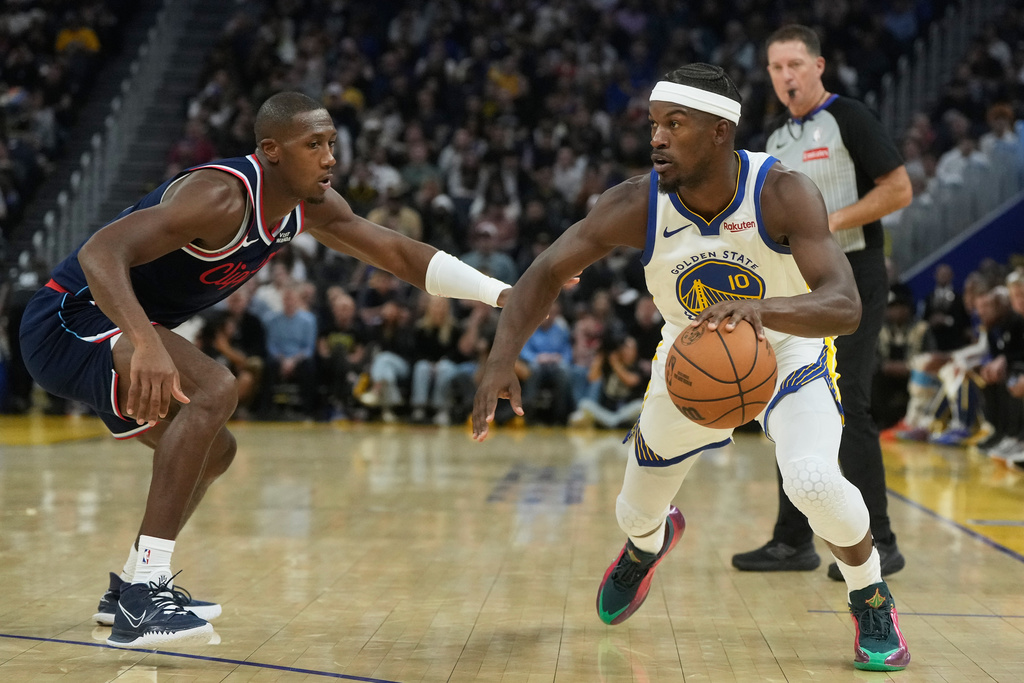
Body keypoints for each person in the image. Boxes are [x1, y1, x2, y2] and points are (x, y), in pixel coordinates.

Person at [18, 92, 513, 649]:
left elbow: (396, 252)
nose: (330, 157)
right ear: (272, 151)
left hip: (121, 328)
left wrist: (502, 295)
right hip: (67, 322)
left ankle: (131, 585)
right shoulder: (220, 197)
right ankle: (144, 597)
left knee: (217, 450)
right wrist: (145, 342)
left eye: (331, 143)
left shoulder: (309, 205)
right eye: (314, 145)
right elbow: (99, 253)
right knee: (216, 387)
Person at [472, 63, 910, 671]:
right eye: (654, 124)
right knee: (633, 512)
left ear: (718, 133)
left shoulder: (783, 192)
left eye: (674, 124)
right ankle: (648, 544)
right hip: (688, 356)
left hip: (786, 351)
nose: (656, 137)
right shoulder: (633, 204)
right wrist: (502, 358)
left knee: (811, 479)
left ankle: (870, 595)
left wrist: (761, 309)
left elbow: (844, 304)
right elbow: (545, 272)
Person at [731, 25, 913, 583]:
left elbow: (899, 188)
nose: (786, 76)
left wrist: (827, 223)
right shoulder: (773, 139)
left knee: (849, 398)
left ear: (818, 66)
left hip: (854, 273)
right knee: (792, 397)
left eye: (794, 65)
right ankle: (793, 541)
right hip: (798, 282)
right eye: (776, 67)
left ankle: (878, 539)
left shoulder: (849, 117)